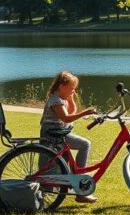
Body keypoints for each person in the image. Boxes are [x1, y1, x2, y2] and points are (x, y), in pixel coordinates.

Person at [41, 71, 98, 203]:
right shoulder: (55, 101)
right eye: (71, 88)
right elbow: (66, 117)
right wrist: (85, 112)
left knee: (66, 163)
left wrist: (71, 99)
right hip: (54, 135)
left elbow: (71, 111)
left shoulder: (61, 98)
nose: (73, 91)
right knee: (85, 144)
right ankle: (79, 183)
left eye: (74, 89)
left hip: (60, 133)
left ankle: (76, 186)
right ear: (61, 86)